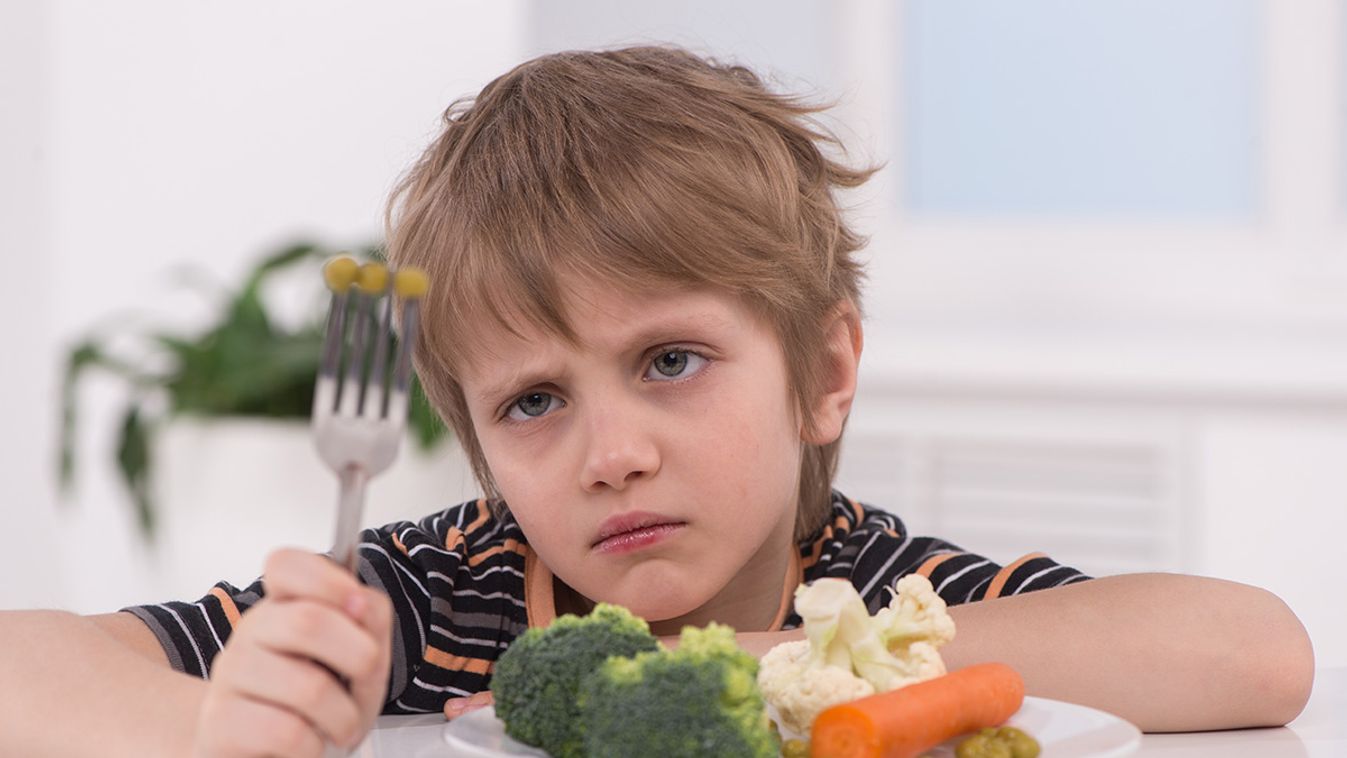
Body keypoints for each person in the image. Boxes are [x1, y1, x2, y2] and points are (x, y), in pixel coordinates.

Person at [0, 45, 1314, 757]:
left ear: (826, 372)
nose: (612, 454)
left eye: (670, 361)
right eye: (532, 402)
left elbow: (1253, 650)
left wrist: (777, 672)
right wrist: (216, 728)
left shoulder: (863, 594)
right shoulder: (439, 598)